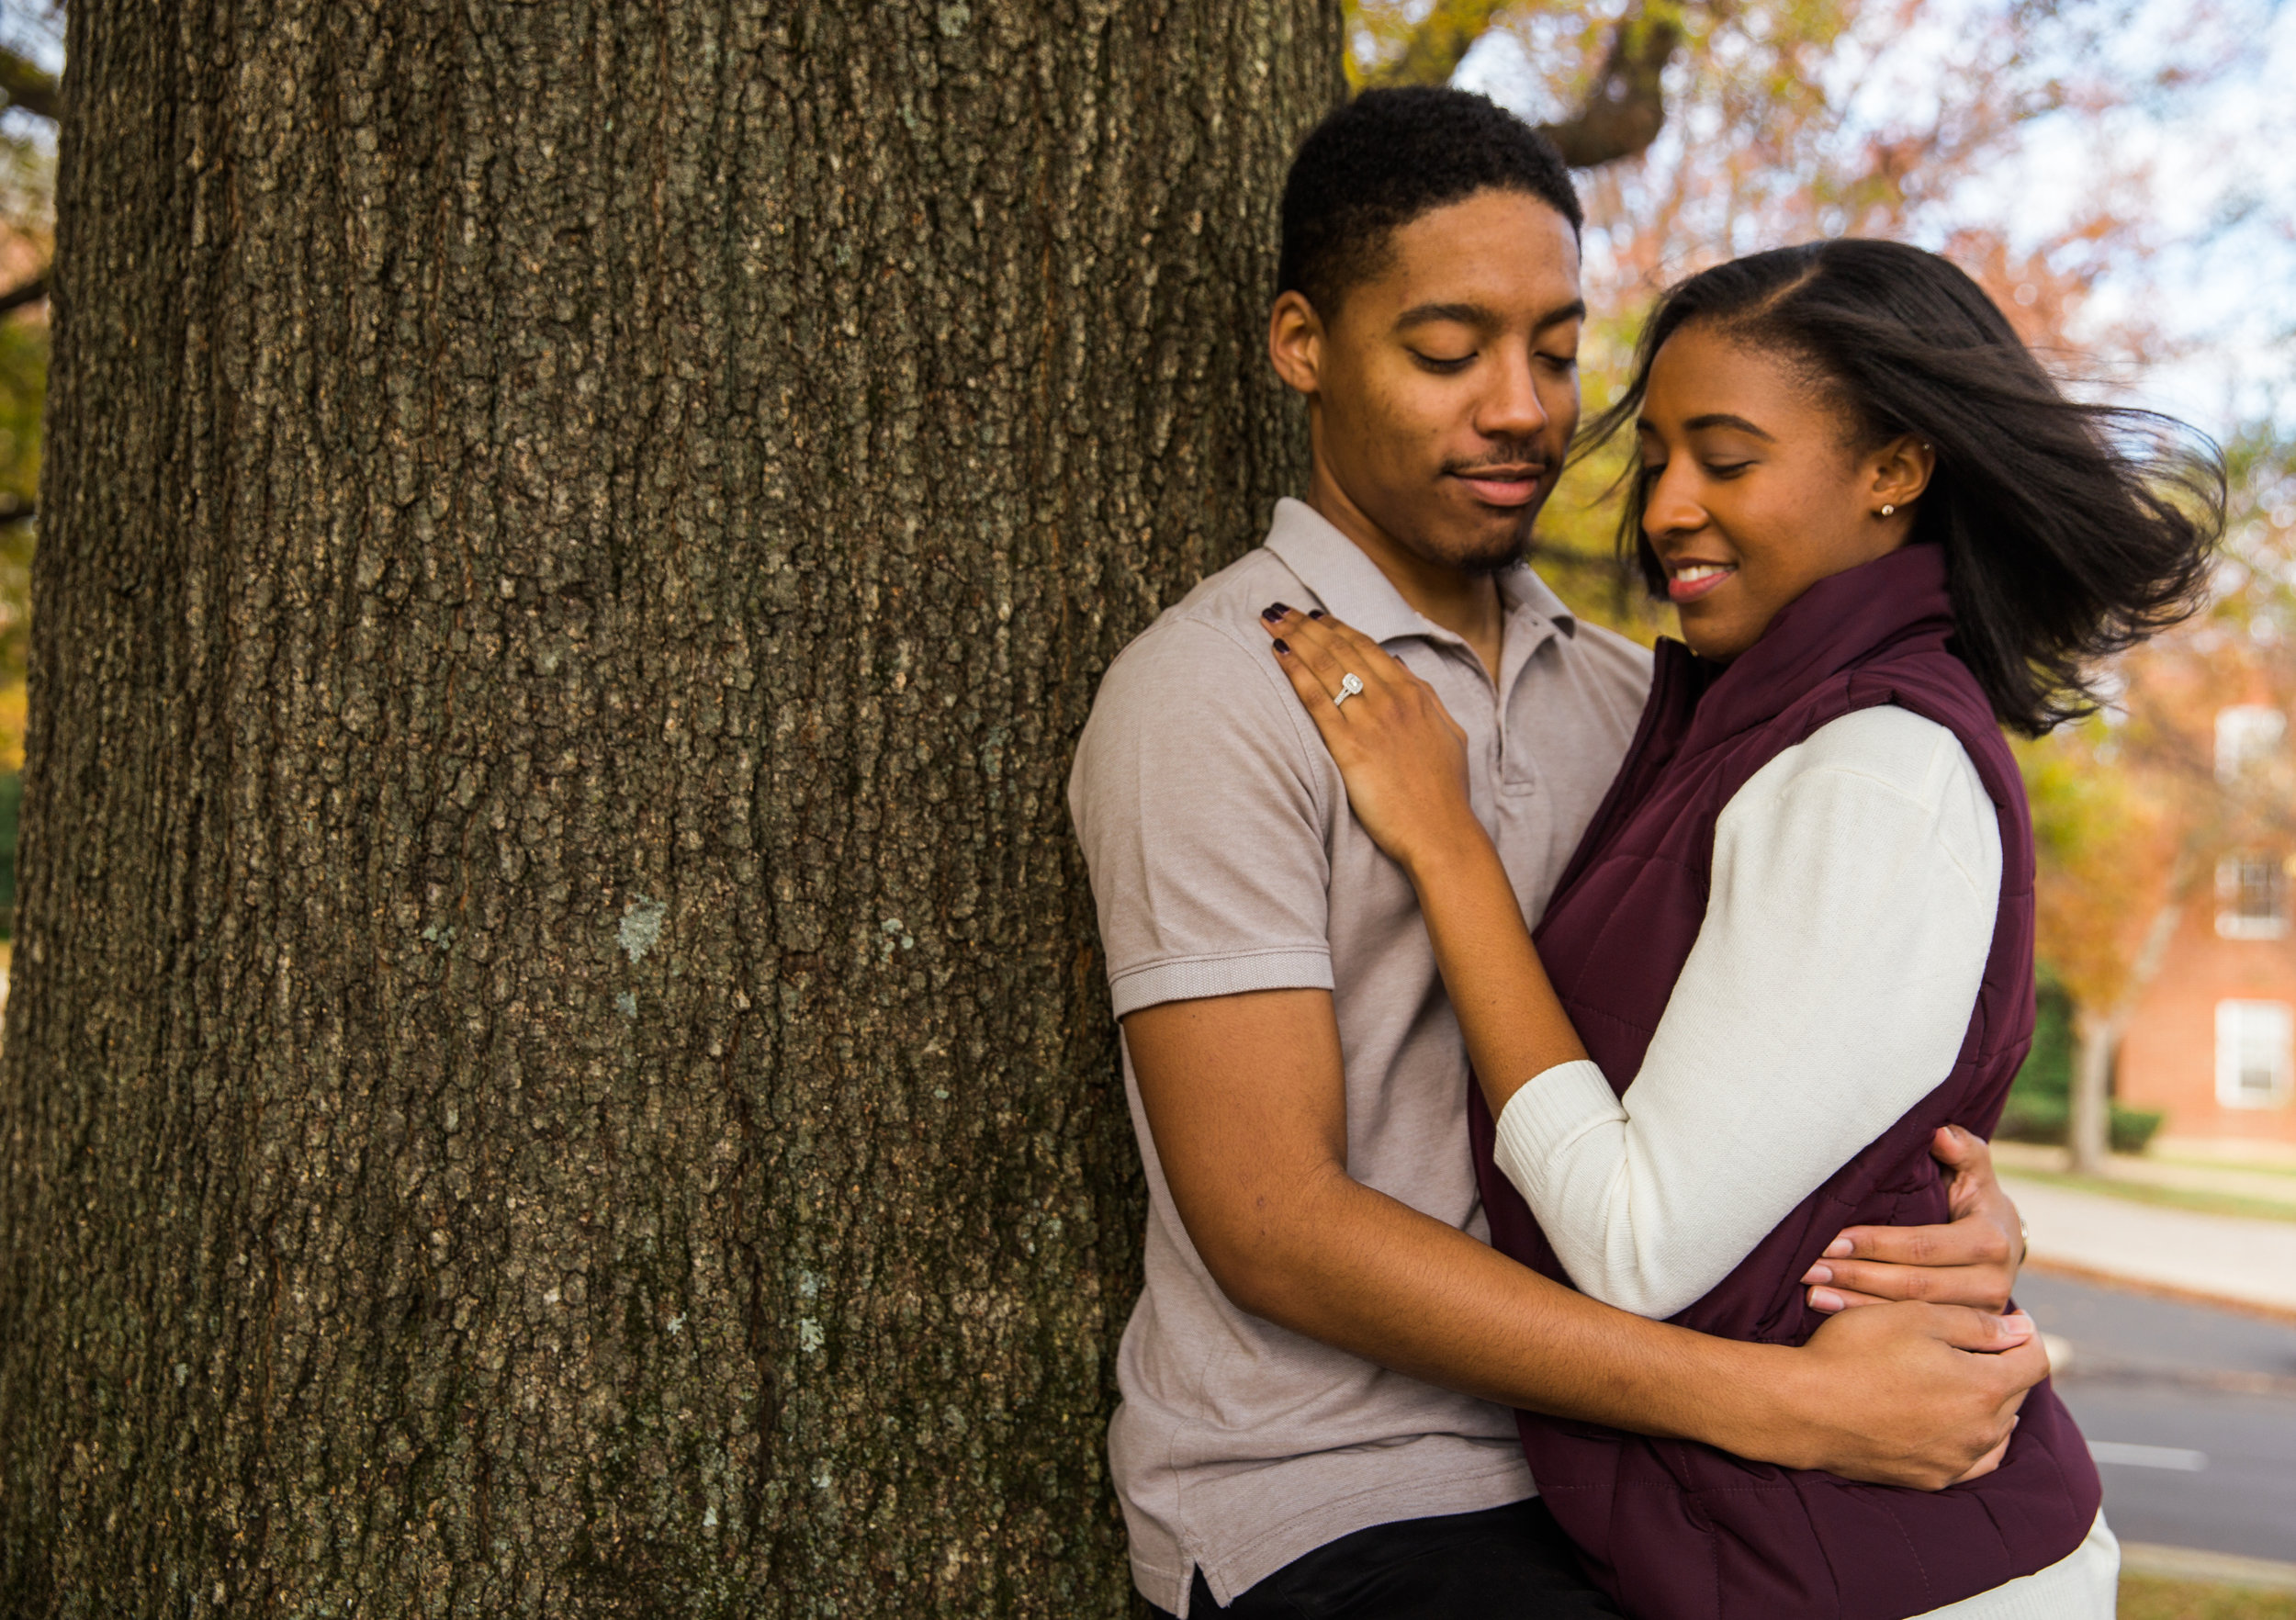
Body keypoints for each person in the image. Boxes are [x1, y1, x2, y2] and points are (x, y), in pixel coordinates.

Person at [1070, 89, 2051, 1620]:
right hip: (1345, 1494)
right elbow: (1273, 1226)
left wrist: (1952, 1230)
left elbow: (1765, 1085)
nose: (1523, 408)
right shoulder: (1209, 695)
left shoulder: (1644, 699)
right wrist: (1773, 1403)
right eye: (1449, 353)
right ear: (1302, 345)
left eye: (1554, 349)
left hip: (1641, 1478)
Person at [1255, 238, 2221, 1617]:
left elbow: (1635, 1243)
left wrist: (1445, 844)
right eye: (1656, 459)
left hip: (1905, 1574)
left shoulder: (1872, 769)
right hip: (1788, 1545)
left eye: (1727, 457)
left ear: (1893, 469)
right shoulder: (1752, 731)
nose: (1669, 509)